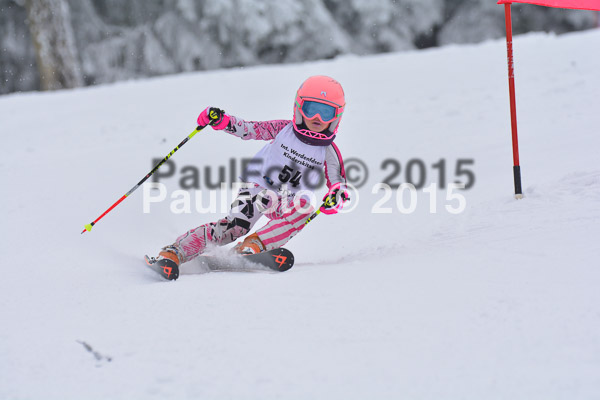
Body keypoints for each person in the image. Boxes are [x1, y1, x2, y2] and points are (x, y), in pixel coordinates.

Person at [155, 75, 350, 267]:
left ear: (336, 117)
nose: (316, 118)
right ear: (299, 108)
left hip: (287, 201)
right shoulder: (283, 129)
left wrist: (335, 199)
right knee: (235, 227)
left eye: (326, 113)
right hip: (258, 187)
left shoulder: (329, 152)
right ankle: (176, 251)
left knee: (303, 208)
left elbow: (339, 184)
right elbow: (250, 129)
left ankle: (253, 245)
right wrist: (222, 121)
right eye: (311, 110)